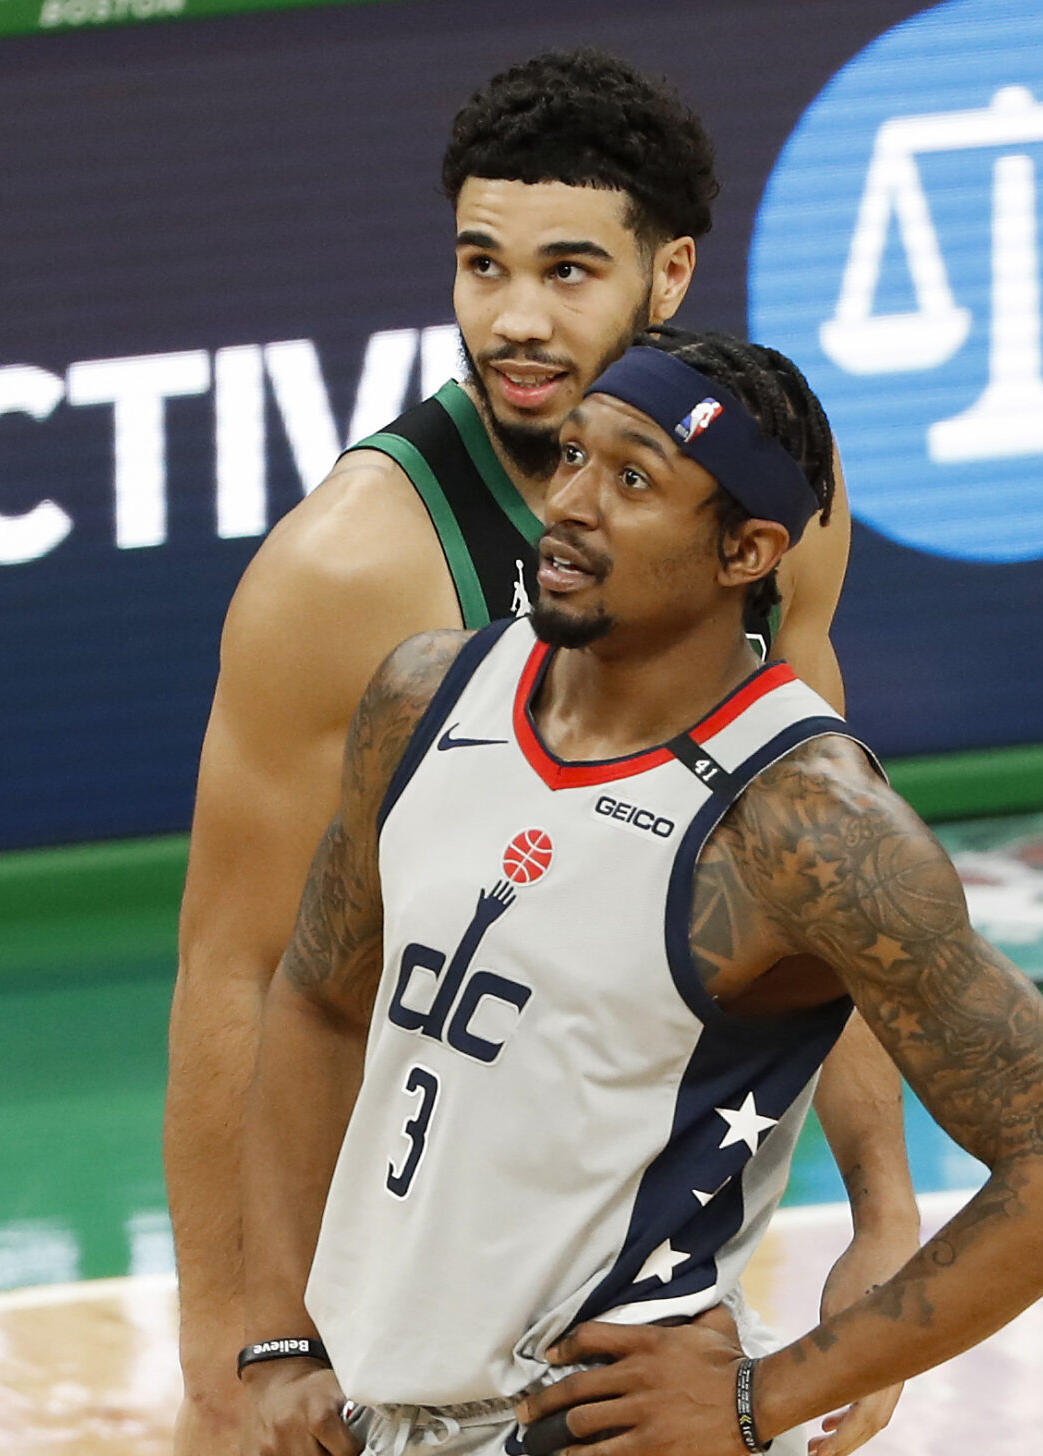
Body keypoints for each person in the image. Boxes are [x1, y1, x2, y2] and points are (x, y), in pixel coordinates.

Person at [166, 51, 917, 1456]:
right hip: (398, 1284)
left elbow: (818, 885)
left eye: (568, 270)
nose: (513, 318)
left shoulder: (768, 514)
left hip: (632, 1283)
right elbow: (239, 975)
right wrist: (236, 1348)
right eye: (482, 265)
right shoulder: (348, 571)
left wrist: (880, 1210)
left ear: (668, 273)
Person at [237, 330, 1043, 1456]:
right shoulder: (425, 693)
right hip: (376, 1415)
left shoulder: (805, 820)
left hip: (587, 1425)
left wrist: (763, 1395)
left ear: (746, 550)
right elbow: (317, 999)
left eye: (633, 481)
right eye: (573, 456)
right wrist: (280, 1341)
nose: (569, 504)